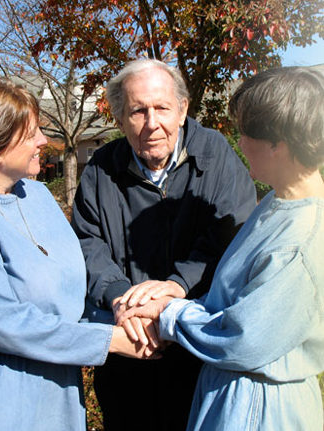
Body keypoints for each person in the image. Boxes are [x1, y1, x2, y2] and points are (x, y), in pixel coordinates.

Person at [118, 66, 324, 431]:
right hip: (231, 397)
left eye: (246, 133)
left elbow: (241, 340)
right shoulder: (274, 205)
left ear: (278, 143)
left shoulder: (300, 240)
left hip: (261, 410)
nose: (239, 144)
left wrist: (167, 313)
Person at [71, 59, 257, 431]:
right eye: (138, 111)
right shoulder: (101, 168)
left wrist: (177, 286)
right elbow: (87, 242)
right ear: (121, 119)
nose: (152, 123)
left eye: (162, 108)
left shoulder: (215, 154)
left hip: (197, 348)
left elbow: (232, 230)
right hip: (130, 345)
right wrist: (121, 298)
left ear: (184, 109)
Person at [0, 78, 156, 431]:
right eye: (31, 134)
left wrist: (127, 319)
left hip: (60, 395)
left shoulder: (39, 197)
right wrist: (109, 341)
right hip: (6, 401)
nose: (43, 140)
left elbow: (71, 297)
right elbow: (3, 323)